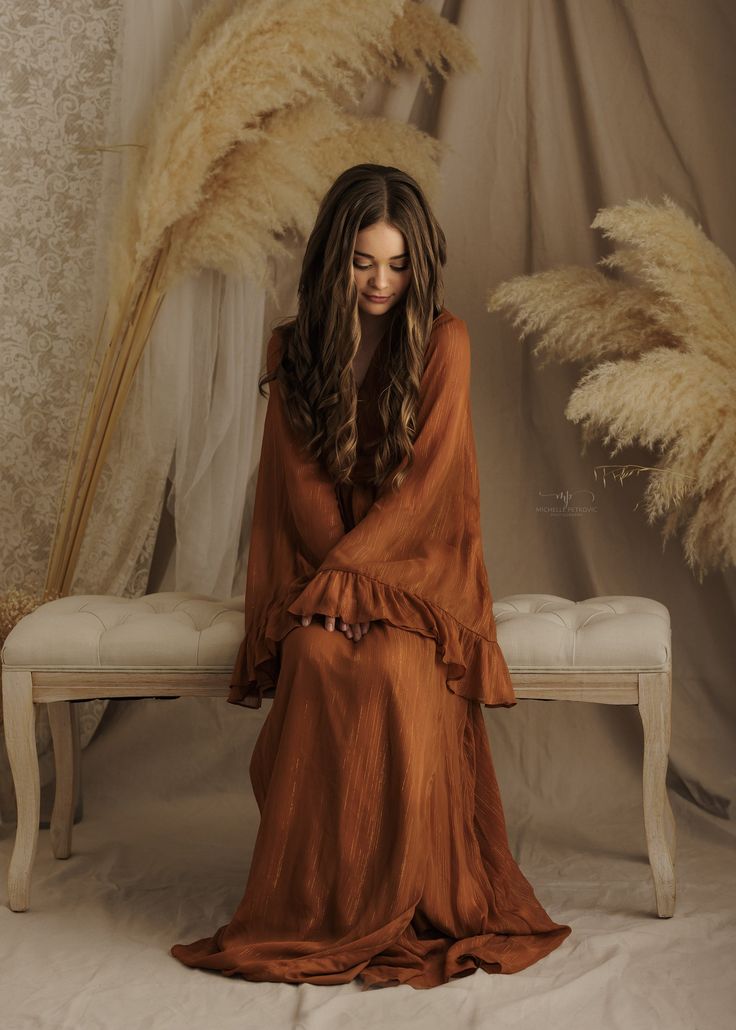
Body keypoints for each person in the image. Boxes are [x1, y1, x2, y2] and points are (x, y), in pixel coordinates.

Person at [170, 164, 572, 990]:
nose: (381, 281)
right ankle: (322, 903)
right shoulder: (293, 347)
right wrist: (335, 589)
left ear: (418, 264)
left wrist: (359, 584)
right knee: (317, 660)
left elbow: (427, 490)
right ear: (334, 261)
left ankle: (411, 893)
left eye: (396, 264)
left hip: (423, 560)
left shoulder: (445, 341)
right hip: (320, 564)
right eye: (363, 262)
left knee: (394, 665)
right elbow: (301, 486)